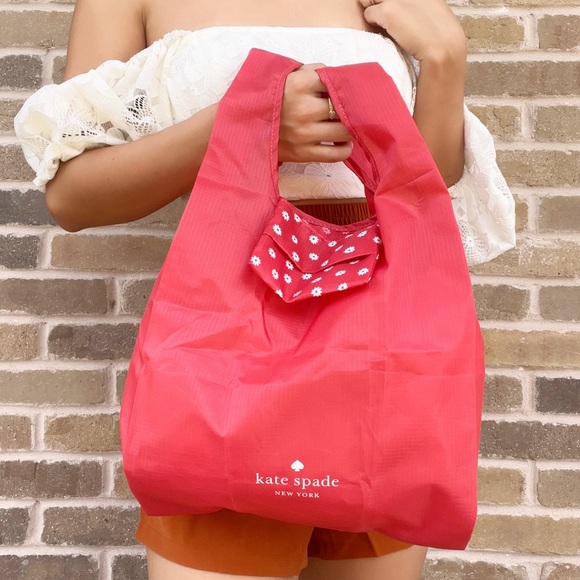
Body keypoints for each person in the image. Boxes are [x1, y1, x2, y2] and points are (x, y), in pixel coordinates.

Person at [15, 0, 516, 578]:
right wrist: (245, 122)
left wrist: (445, 59)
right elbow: (73, 195)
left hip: (381, 343)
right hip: (229, 344)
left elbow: (423, 182)